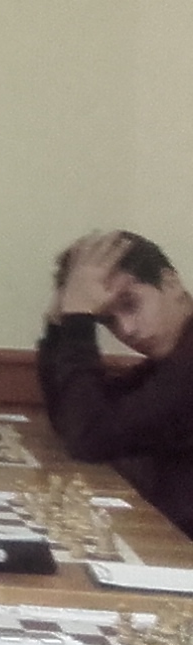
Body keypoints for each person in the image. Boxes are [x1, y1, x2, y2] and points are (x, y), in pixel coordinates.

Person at [37, 229, 193, 538]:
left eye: (130, 304)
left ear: (171, 283)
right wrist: (59, 324)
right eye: (107, 320)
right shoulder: (174, 360)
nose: (126, 330)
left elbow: (90, 437)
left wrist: (78, 319)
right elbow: (75, 420)